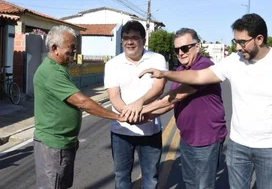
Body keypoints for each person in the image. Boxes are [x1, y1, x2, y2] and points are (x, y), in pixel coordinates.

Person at [139, 13, 272, 189]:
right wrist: (165, 73)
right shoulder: (234, 61)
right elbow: (198, 76)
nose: (238, 48)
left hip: (270, 148)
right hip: (238, 146)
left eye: (242, 42)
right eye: (235, 42)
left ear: (259, 39)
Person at [33, 25, 126, 189]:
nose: (75, 51)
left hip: (63, 142)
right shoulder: (51, 72)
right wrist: (118, 117)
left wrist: (72, 136)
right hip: (54, 145)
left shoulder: (61, 69)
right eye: (71, 47)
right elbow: (82, 102)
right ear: (55, 48)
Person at [140, 28, 227, 189]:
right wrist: (145, 115)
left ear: (197, 47)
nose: (181, 53)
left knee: (204, 185)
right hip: (187, 137)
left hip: (207, 139)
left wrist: (140, 108)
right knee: (190, 183)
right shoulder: (180, 70)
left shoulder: (205, 66)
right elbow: (171, 101)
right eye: (177, 49)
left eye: (185, 48)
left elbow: (178, 95)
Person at [104, 20, 167, 188]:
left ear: (143, 40)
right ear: (121, 41)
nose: (130, 42)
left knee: (150, 178)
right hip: (121, 131)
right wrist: (130, 114)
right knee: (122, 178)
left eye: (134, 38)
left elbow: (158, 88)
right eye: (126, 38)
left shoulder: (157, 59)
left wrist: (138, 104)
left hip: (150, 131)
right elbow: (114, 96)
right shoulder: (112, 64)